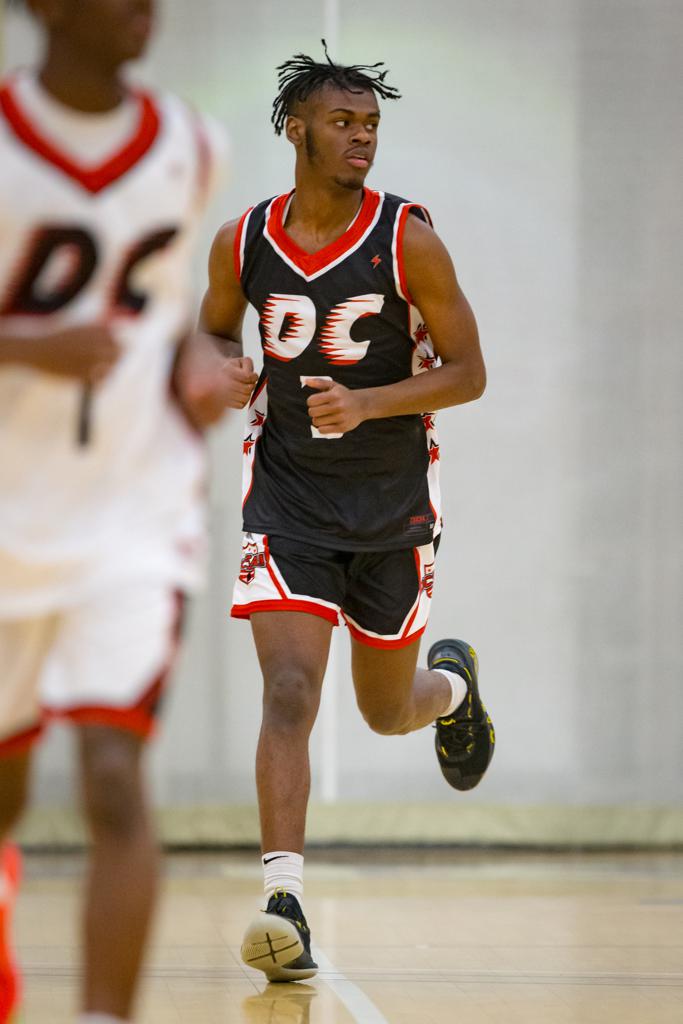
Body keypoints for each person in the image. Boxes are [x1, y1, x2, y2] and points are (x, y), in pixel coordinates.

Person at [200, 45, 495, 982]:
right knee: (289, 692)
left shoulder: (408, 237)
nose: (361, 136)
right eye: (342, 122)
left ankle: (453, 690)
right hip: (286, 497)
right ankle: (283, 900)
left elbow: (470, 373)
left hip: (390, 505)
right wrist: (221, 364)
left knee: (383, 711)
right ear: (295, 129)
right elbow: (211, 327)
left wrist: (370, 401)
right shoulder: (243, 241)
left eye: (370, 124)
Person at [0, 1, 239, 1021]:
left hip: (136, 511)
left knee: (112, 773)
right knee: (6, 795)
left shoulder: (191, 146)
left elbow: (173, 313)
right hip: (10, 513)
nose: (146, 6)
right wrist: (24, 344)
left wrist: (196, 363)